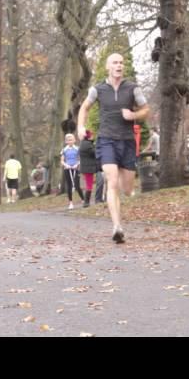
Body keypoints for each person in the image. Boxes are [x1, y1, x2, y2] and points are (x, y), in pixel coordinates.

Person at [77, 53, 150, 244]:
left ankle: (119, 218)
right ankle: (117, 226)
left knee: (126, 189)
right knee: (112, 181)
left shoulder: (133, 88)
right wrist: (80, 127)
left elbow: (146, 110)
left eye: (121, 62)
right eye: (115, 63)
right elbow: (84, 108)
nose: (119, 65)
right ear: (108, 66)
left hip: (126, 141)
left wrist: (133, 115)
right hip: (106, 139)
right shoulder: (98, 89)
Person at [61, 133, 84, 210]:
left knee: (77, 185)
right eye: (68, 140)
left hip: (76, 168)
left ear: (74, 140)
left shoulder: (77, 149)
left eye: (71, 139)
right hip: (67, 169)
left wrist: (77, 164)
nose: (70, 141)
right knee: (69, 186)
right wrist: (65, 165)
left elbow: (80, 159)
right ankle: (70, 202)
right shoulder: (64, 150)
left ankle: (83, 199)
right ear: (66, 141)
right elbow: (62, 160)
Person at [79, 130, 98, 208]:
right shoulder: (87, 144)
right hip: (88, 168)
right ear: (88, 136)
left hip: (86, 167)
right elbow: (95, 153)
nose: (93, 136)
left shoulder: (84, 143)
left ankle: (86, 201)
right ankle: (86, 202)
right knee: (89, 185)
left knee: (88, 184)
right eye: (92, 135)